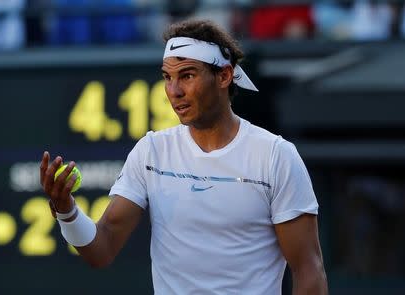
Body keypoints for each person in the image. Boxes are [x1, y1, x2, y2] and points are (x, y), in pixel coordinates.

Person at [40, 19, 328, 294]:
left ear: (224, 76)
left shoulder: (275, 156)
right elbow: (101, 250)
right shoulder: (151, 151)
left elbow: (308, 271)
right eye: (168, 77)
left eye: (187, 75)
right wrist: (67, 211)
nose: (174, 91)